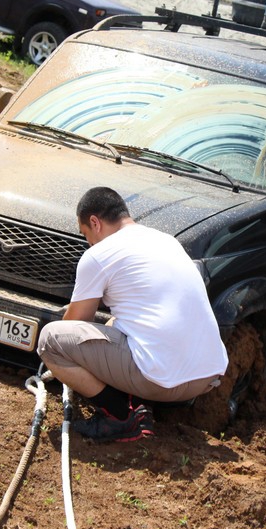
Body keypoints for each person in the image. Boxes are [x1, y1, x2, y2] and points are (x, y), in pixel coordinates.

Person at [37, 187, 229, 442]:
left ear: (94, 222)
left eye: (86, 234)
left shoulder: (98, 255)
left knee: (50, 340)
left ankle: (120, 416)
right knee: (117, 324)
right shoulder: (167, 241)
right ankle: (136, 402)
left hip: (161, 380)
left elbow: (75, 324)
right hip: (203, 378)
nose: (89, 242)